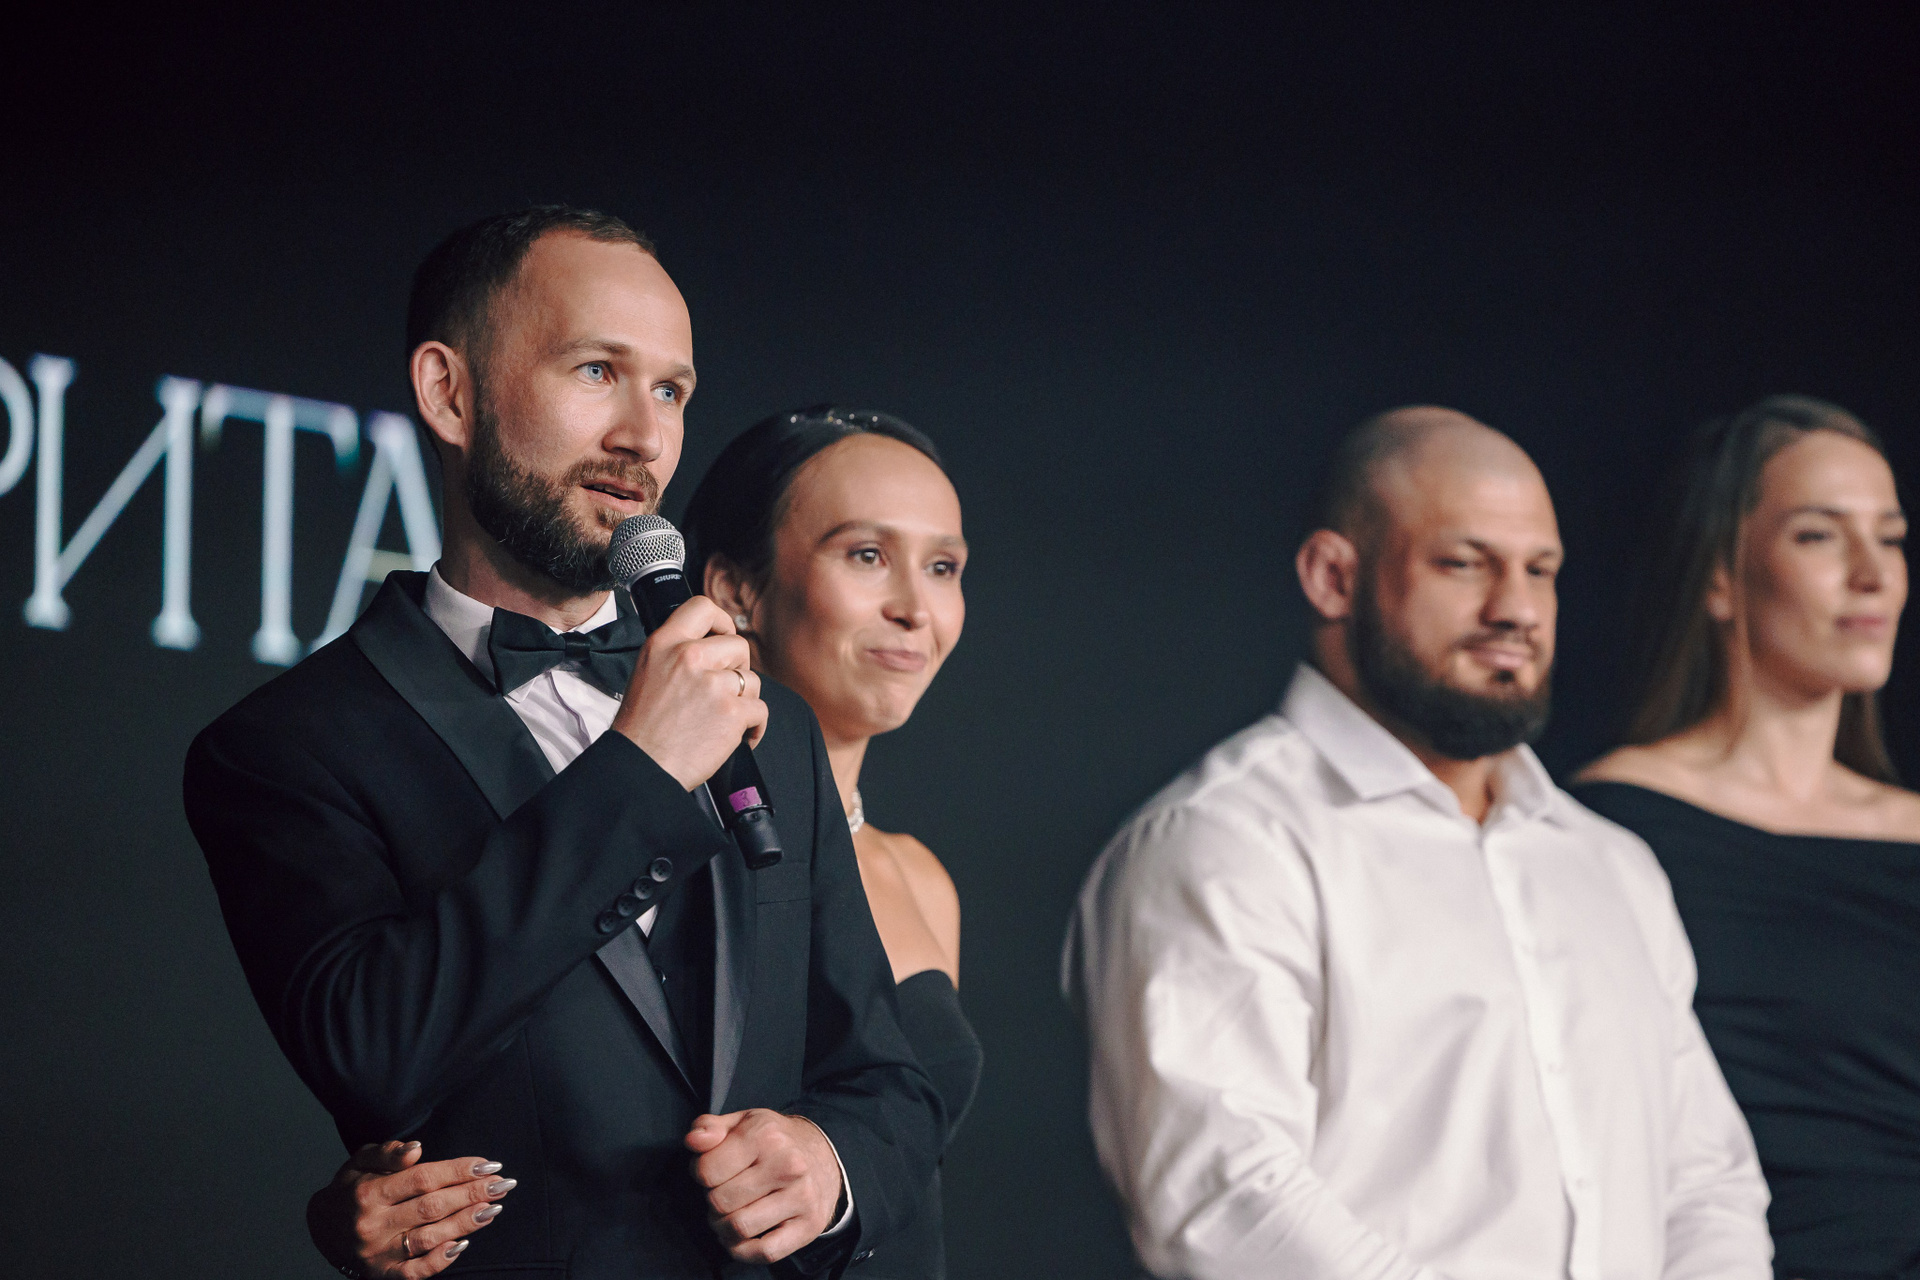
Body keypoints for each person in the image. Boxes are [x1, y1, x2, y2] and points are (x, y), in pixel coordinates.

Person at [183, 206, 944, 1280]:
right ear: (450, 393)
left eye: (671, 391)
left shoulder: (769, 726)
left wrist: (829, 1165)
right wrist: (638, 769)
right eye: (597, 371)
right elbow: (372, 1054)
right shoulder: (287, 745)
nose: (645, 436)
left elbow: (888, 1082)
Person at [1063, 406, 1773, 1279]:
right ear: (1333, 577)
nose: (1516, 609)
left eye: (1540, 570)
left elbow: (1707, 1183)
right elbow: (1227, 1203)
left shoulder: (1611, 867)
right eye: (1464, 563)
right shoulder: (1223, 842)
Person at [309, 408, 984, 1279]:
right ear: (733, 589)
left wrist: (834, 1164)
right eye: (865, 555)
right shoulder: (617, 794)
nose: (914, 609)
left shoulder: (920, 875)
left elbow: (896, 1110)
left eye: (943, 567)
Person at [1573, 395, 1918, 1275]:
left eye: (1891, 537)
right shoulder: (1610, 825)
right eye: (1820, 535)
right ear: (1719, 576)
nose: (1873, 575)